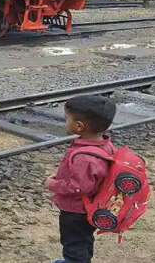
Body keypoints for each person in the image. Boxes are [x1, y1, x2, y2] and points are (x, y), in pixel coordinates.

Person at [45, 95, 117, 263]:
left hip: (77, 210)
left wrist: (53, 184)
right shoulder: (105, 144)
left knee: (74, 243)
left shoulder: (85, 157)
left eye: (67, 118)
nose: (66, 121)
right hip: (91, 206)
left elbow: (79, 187)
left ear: (79, 126)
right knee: (84, 239)